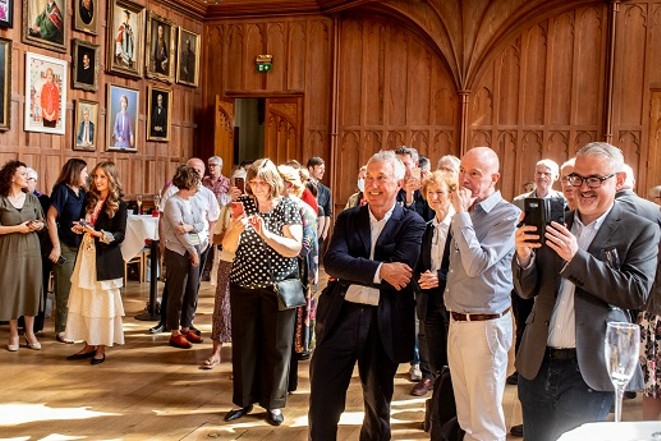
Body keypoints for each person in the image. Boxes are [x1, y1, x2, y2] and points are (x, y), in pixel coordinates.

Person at [513, 142, 659, 441]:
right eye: (576, 178)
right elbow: (528, 291)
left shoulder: (640, 230)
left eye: (594, 179)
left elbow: (635, 293)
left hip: (588, 370)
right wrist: (524, 257)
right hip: (538, 363)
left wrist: (576, 258)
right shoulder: (556, 224)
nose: (582, 188)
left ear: (618, 180)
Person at [308, 151, 426, 440]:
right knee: (323, 401)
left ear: (400, 183)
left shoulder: (413, 223)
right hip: (340, 318)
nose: (372, 185)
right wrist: (381, 270)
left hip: (383, 322)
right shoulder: (349, 218)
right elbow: (333, 262)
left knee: (377, 406)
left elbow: (402, 275)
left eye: (381, 178)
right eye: (368, 178)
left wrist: (355, 270)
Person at [444, 146, 520, 441]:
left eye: (474, 173)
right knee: (467, 418)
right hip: (457, 321)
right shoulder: (467, 212)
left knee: (486, 423)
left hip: (485, 325)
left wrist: (460, 215)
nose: (464, 179)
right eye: (462, 171)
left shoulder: (507, 215)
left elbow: (476, 265)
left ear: (494, 178)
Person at [222, 158, 302, 426]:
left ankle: (274, 403)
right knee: (244, 344)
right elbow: (227, 247)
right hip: (243, 284)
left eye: (262, 183)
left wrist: (266, 234)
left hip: (278, 286)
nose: (257, 188)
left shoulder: (287, 207)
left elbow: (294, 248)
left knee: (277, 346)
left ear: (273, 183)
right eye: (253, 182)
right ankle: (242, 400)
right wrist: (235, 229)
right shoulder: (243, 204)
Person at [65, 161, 127, 365]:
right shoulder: (90, 199)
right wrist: (81, 227)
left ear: (111, 179)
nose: (98, 181)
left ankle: (100, 348)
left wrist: (98, 233)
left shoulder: (120, 204)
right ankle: (88, 344)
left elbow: (120, 235)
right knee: (85, 300)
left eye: (103, 177)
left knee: (101, 304)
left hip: (104, 259)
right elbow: (87, 224)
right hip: (86, 255)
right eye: (96, 176)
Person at [412, 170, 456, 395]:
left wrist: (440, 277)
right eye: (430, 193)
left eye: (440, 192)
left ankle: (452, 406)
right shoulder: (428, 227)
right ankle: (438, 404)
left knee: (453, 359)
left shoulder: (459, 226)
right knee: (434, 357)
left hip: (452, 300)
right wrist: (422, 279)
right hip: (429, 299)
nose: (434, 197)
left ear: (451, 194)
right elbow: (420, 263)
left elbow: (466, 267)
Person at [278, 164, 319, 391]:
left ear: (290, 185)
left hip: (297, 278)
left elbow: (305, 247)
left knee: (291, 331)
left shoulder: (305, 210)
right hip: (277, 276)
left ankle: (288, 381)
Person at [201, 168, 246, 369]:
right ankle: (216, 352)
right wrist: (230, 231)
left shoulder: (257, 208)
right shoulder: (227, 209)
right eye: (235, 182)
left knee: (245, 309)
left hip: (250, 263)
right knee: (222, 305)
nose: (239, 186)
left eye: (242, 181)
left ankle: (241, 357)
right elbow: (216, 238)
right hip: (228, 260)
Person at [0, 160, 46, 352]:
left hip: (32, 250)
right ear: (12, 177)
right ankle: (13, 333)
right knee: (11, 289)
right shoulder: (1, 200)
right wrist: (17, 228)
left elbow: (42, 222)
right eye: (24, 174)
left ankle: (30, 332)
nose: (28, 177)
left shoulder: (33, 199)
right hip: (9, 250)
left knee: (30, 287)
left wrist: (38, 225)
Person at [162, 166, 204, 349]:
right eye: (197, 182)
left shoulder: (193, 201)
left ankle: (186, 327)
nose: (199, 186)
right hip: (178, 251)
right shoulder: (173, 202)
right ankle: (174, 331)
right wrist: (192, 251)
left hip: (194, 247)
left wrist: (189, 227)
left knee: (192, 291)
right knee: (177, 293)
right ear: (189, 183)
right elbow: (179, 233)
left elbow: (201, 224)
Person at [47, 159, 88, 344]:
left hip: (81, 246)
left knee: (79, 289)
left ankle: (75, 326)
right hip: (65, 246)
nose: (87, 175)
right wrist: (56, 246)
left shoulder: (83, 192)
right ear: (75, 172)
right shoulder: (61, 190)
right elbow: (51, 218)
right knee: (64, 289)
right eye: (84, 172)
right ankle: (62, 328)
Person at [307, 157, 331, 252]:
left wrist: (325, 232)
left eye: (324, 169)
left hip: (319, 234)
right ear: (311, 169)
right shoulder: (302, 187)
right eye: (320, 168)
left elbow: (328, 213)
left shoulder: (326, 191)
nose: (323, 171)